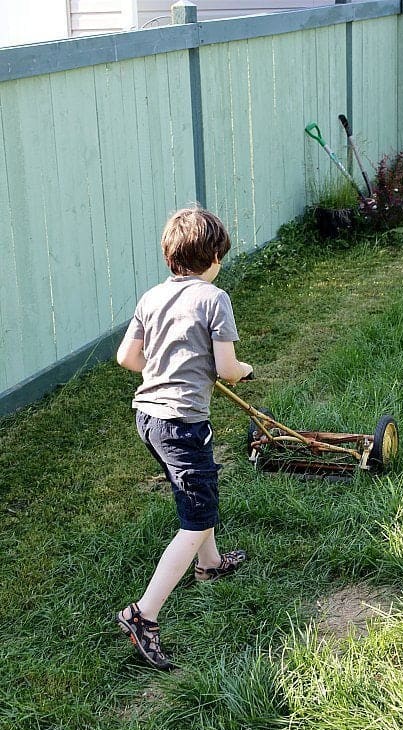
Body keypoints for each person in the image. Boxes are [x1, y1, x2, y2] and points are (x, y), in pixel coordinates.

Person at [115, 206, 253, 670]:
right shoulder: (214, 299)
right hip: (182, 425)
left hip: (148, 419)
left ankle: (209, 566)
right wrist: (243, 371)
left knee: (198, 493)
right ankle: (143, 614)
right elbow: (229, 370)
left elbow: (127, 359)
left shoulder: (151, 297)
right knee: (194, 520)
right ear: (214, 256)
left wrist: (172, 367)